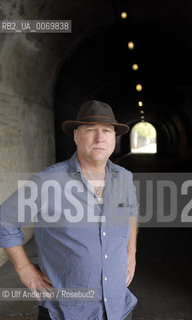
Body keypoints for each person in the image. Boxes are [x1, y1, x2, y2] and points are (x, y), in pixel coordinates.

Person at [0, 100, 139, 320]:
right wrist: (24, 268)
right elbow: (5, 219)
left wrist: (131, 251)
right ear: (76, 135)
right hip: (67, 312)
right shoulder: (49, 180)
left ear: (114, 137)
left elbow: (131, 213)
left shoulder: (123, 177)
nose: (99, 138)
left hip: (118, 308)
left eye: (106, 131)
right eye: (90, 130)